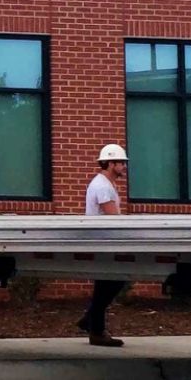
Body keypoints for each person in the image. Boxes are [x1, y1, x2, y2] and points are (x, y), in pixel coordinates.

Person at [78, 144, 130, 348]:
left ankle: (90, 323)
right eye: (121, 163)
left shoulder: (105, 183)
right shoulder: (102, 186)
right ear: (110, 163)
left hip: (104, 242)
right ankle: (95, 329)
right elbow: (113, 217)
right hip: (103, 243)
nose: (124, 167)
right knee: (111, 283)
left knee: (107, 284)